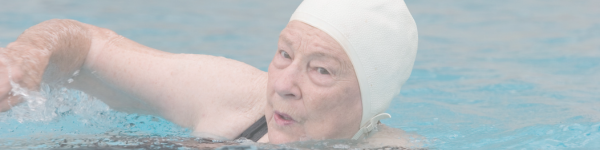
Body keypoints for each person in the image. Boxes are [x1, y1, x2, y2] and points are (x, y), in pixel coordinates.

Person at [0, 0, 418, 146]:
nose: (285, 85)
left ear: (371, 93)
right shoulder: (236, 96)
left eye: (321, 71)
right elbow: (87, 44)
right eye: (284, 54)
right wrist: (27, 56)